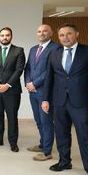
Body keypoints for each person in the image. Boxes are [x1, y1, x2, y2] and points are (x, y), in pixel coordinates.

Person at [42, 23, 88, 175]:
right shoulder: (54, 54)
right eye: (62, 35)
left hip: (81, 102)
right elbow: (49, 78)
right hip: (59, 101)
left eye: (69, 34)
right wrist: (45, 99)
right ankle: (64, 161)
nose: (65, 37)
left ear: (77, 34)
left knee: (85, 136)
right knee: (61, 133)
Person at [0, 27, 25, 152]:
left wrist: (7, 85)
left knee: (12, 117)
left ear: (11, 36)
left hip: (12, 91)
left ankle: (13, 142)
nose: (4, 37)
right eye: (2, 35)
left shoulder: (18, 51)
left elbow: (19, 70)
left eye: (7, 35)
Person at [24, 24, 59, 161]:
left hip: (46, 92)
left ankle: (47, 152)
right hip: (32, 92)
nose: (42, 33)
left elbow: (51, 70)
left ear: (51, 33)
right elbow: (28, 68)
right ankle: (42, 144)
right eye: (39, 31)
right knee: (38, 120)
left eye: (45, 31)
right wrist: (28, 83)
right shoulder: (33, 49)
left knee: (46, 121)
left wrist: (35, 83)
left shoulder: (56, 48)